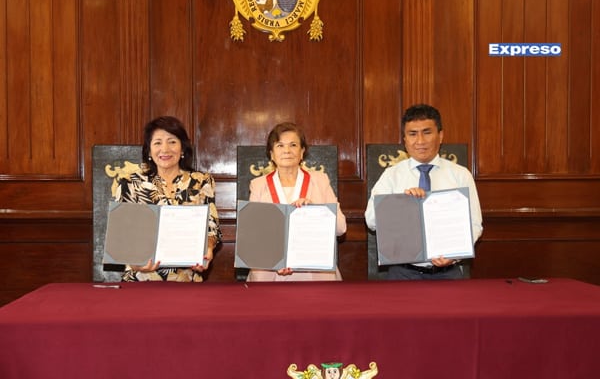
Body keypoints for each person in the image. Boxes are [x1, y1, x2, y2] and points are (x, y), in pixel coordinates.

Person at [365, 104, 483, 280]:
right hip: (402, 273)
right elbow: (371, 221)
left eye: (427, 132)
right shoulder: (391, 175)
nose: (420, 141)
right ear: (405, 140)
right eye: (412, 134)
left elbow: (475, 224)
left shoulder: (460, 175)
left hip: (448, 273)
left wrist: (454, 255)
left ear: (440, 136)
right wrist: (401, 203)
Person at [114, 116, 222, 282]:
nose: (165, 149)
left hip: (186, 278)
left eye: (172, 142)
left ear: (182, 148)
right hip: (141, 279)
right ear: (149, 151)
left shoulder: (201, 181)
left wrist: (207, 250)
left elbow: (211, 226)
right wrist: (135, 263)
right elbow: (121, 233)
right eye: (157, 143)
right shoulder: (130, 183)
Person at [246, 122, 347, 281]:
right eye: (280, 145)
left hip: (314, 272)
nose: (287, 150)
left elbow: (341, 228)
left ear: (302, 152)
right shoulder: (258, 185)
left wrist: (316, 211)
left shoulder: (320, 181)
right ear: (271, 154)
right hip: (271, 272)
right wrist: (274, 262)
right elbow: (252, 234)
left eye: (293, 145)